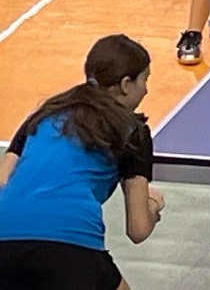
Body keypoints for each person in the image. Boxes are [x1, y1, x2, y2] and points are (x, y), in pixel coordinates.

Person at [0, 35, 163, 290]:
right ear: (125, 84)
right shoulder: (133, 131)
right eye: (145, 79)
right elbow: (138, 229)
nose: (146, 89)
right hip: (69, 239)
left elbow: (3, 180)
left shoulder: (45, 114)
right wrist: (152, 205)